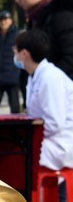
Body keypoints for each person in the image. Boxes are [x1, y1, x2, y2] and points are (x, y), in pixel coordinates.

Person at [15, 29, 73, 173]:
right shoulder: (35, 76)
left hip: (61, 142)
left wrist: (29, 133)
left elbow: (55, 123)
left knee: (15, 152)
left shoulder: (50, 78)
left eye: (15, 51)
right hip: (50, 139)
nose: (14, 56)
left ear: (24, 54)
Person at [7, 0, 73, 79]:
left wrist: (45, 81)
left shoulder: (62, 14)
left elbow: (70, 57)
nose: (16, 0)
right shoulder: (34, 16)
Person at [0, 11, 22, 113]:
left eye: (6, 19)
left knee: (15, 108)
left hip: (12, 76)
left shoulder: (17, 36)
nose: (3, 22)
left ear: (11, 20)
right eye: (1, 20)